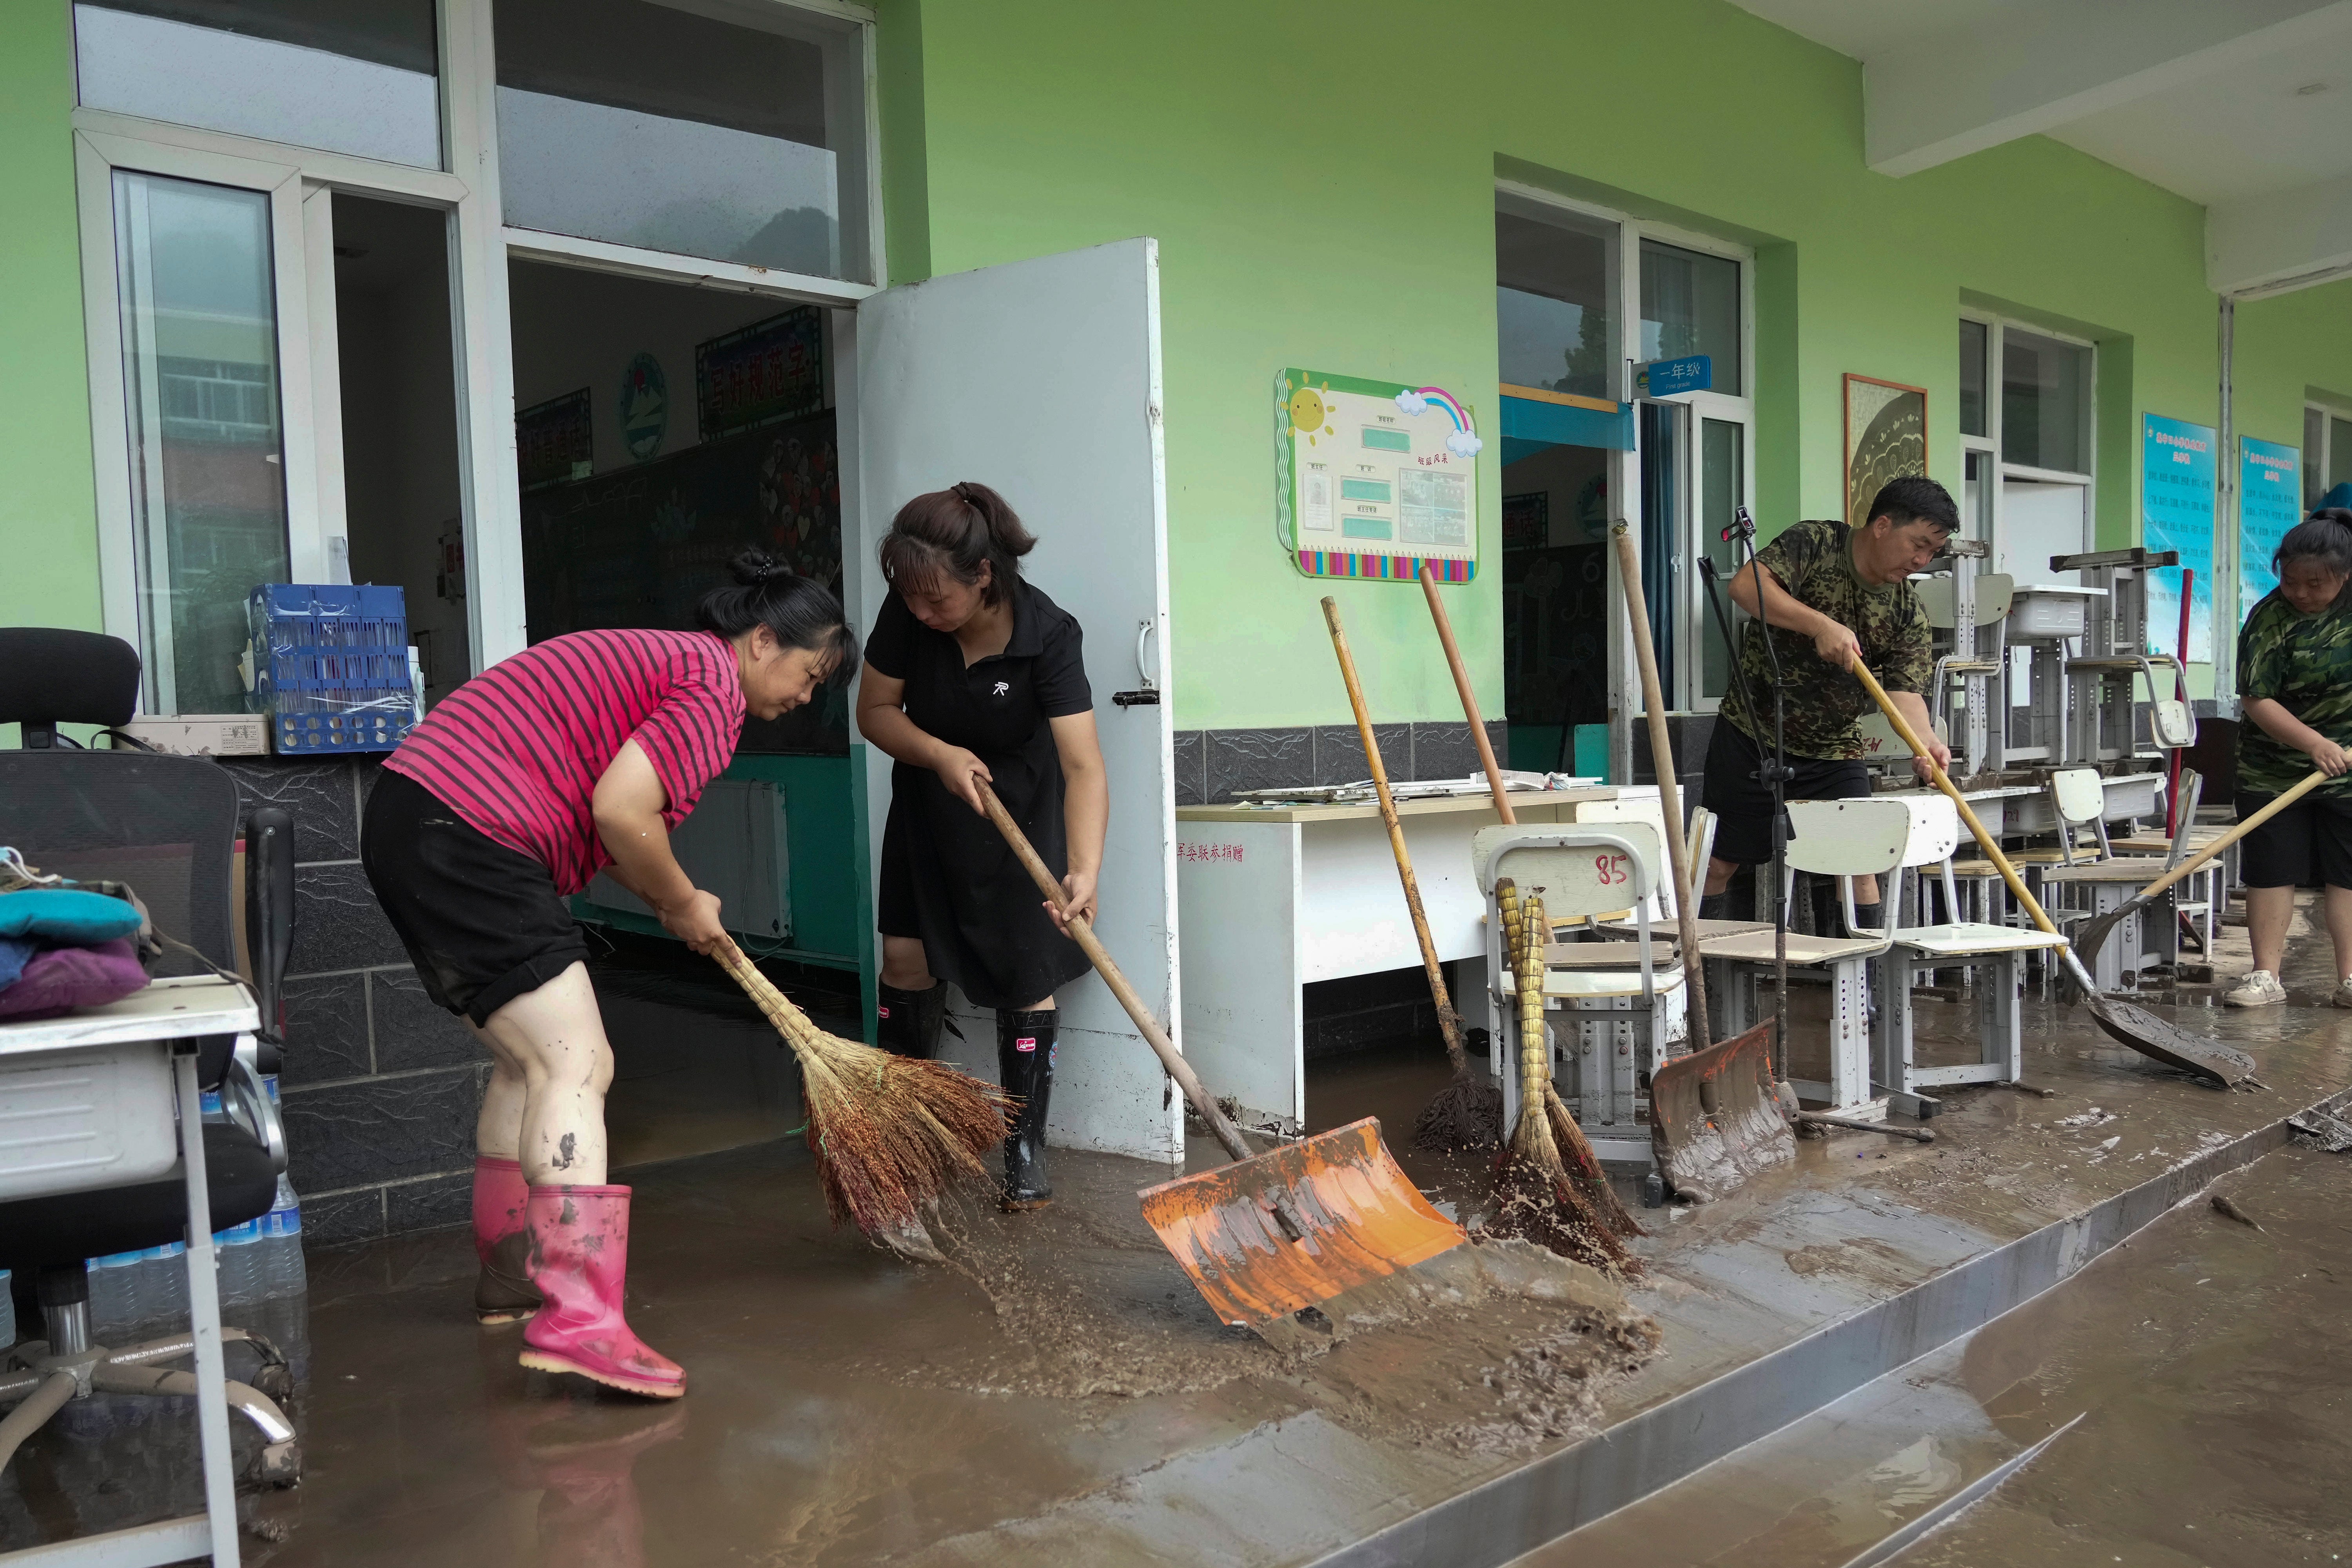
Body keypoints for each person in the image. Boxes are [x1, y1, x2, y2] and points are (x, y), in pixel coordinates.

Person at [359, 553, 857, 1397]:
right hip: (470, 827)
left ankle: (513, 1276)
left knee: (529, 1060)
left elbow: (619, 823)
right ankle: (581, 1319)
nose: (804, 699)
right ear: (762, 640)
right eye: (808, 677)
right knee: (578, 1063)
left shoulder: (671, 665)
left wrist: (673, 899)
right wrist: (682, 897)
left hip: (420, 817)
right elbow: (622, 810)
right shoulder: (710, 684)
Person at [854, 481, 1106, 1211]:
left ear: (983, 575)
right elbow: (874, 712)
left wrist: (1083, 869)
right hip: (931, 805)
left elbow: (1085, 766)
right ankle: (905, 1132)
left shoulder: (1049, 634)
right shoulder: (910, 612)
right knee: (904, 959)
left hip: (1018, 810)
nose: (922, 614)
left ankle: (1024, 1147)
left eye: (937, 601)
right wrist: (936, 753)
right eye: (911, 601)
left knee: (1025, 966)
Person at [1700, 476, 1958, 926]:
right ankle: (1698, 979)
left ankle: (1863, 991)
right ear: (1882, 525)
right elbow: (1745, 587)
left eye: (1933, 552)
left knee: (1859, 868)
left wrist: (1927, 742)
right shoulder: (1817, 542)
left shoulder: (1907, 612)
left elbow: (1904, 694)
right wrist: (1819, 625)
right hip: (1753, 734)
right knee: (1720, 861)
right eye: (1918, 544)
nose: (1921, 560)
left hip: (1835, 750)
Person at [2225, 508, 2352, 1008]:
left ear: (2345, 575)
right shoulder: (2269, 617)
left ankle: (2350, 980)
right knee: (2272, 869)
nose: (2300, 593)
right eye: (2292, 581)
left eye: (2315, 584)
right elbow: (2257, 698)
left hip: (2349, 771)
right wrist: (2314, 745)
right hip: (2272, 768)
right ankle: (2265, 977)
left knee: (2348, 873)